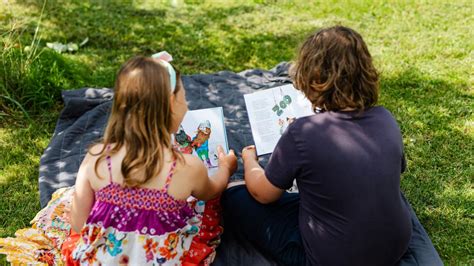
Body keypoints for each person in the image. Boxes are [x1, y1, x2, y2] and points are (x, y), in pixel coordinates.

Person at [221, 26, 430, 266]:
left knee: (235, 196)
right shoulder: (386, 119)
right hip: (394, 247)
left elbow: (263, 194)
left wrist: (249, 161)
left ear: (311, 79)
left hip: (329, 258)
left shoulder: (303, 132)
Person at [0, 55, 237, 265]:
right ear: (170, 106)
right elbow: (211, 190)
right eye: (183, 99)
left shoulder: (96, 158)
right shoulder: (187, 166)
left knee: (68, 198)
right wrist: (226, 167)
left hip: (99, 261)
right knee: (204, 207)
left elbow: (78, 224)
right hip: (162, 260)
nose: (186, 106)